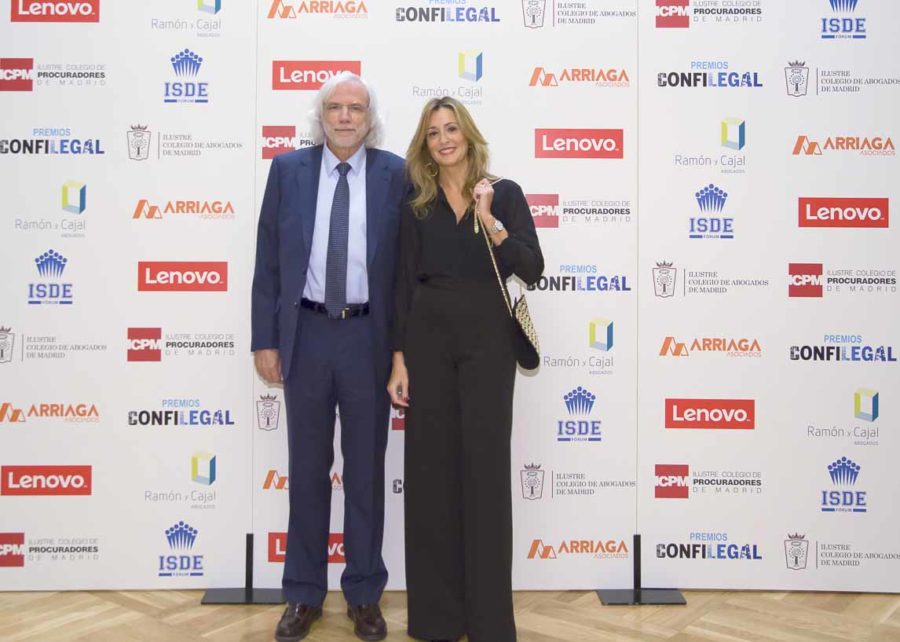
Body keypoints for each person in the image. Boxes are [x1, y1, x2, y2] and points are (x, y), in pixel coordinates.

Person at [252, 72, 406, 642]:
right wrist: (265, 340)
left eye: (356, 108)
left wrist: (402, 351)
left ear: (370, 118)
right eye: (335, 107)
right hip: (308, 336)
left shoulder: (396, 174)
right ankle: (303, 593)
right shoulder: (287, 170)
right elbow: (268, 261)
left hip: (368, 339)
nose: (345, 117)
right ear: (321, 116)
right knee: (307, 472)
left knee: (366, 472)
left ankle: (364, 595)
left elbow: (407, 272)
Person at [388, 97, 544, 642]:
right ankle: (436, 620)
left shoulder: (505, 193)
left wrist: (491, 220)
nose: (444, 140)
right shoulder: (416, 203)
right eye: (433, 133)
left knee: (485, 475)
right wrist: (398, 358)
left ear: (469, 135)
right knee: (430, 477)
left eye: (451, 129)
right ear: (425, 145)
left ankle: (489, 622)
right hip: (427, 342)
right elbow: (403, 283)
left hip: (487, 345)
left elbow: (532, 267)